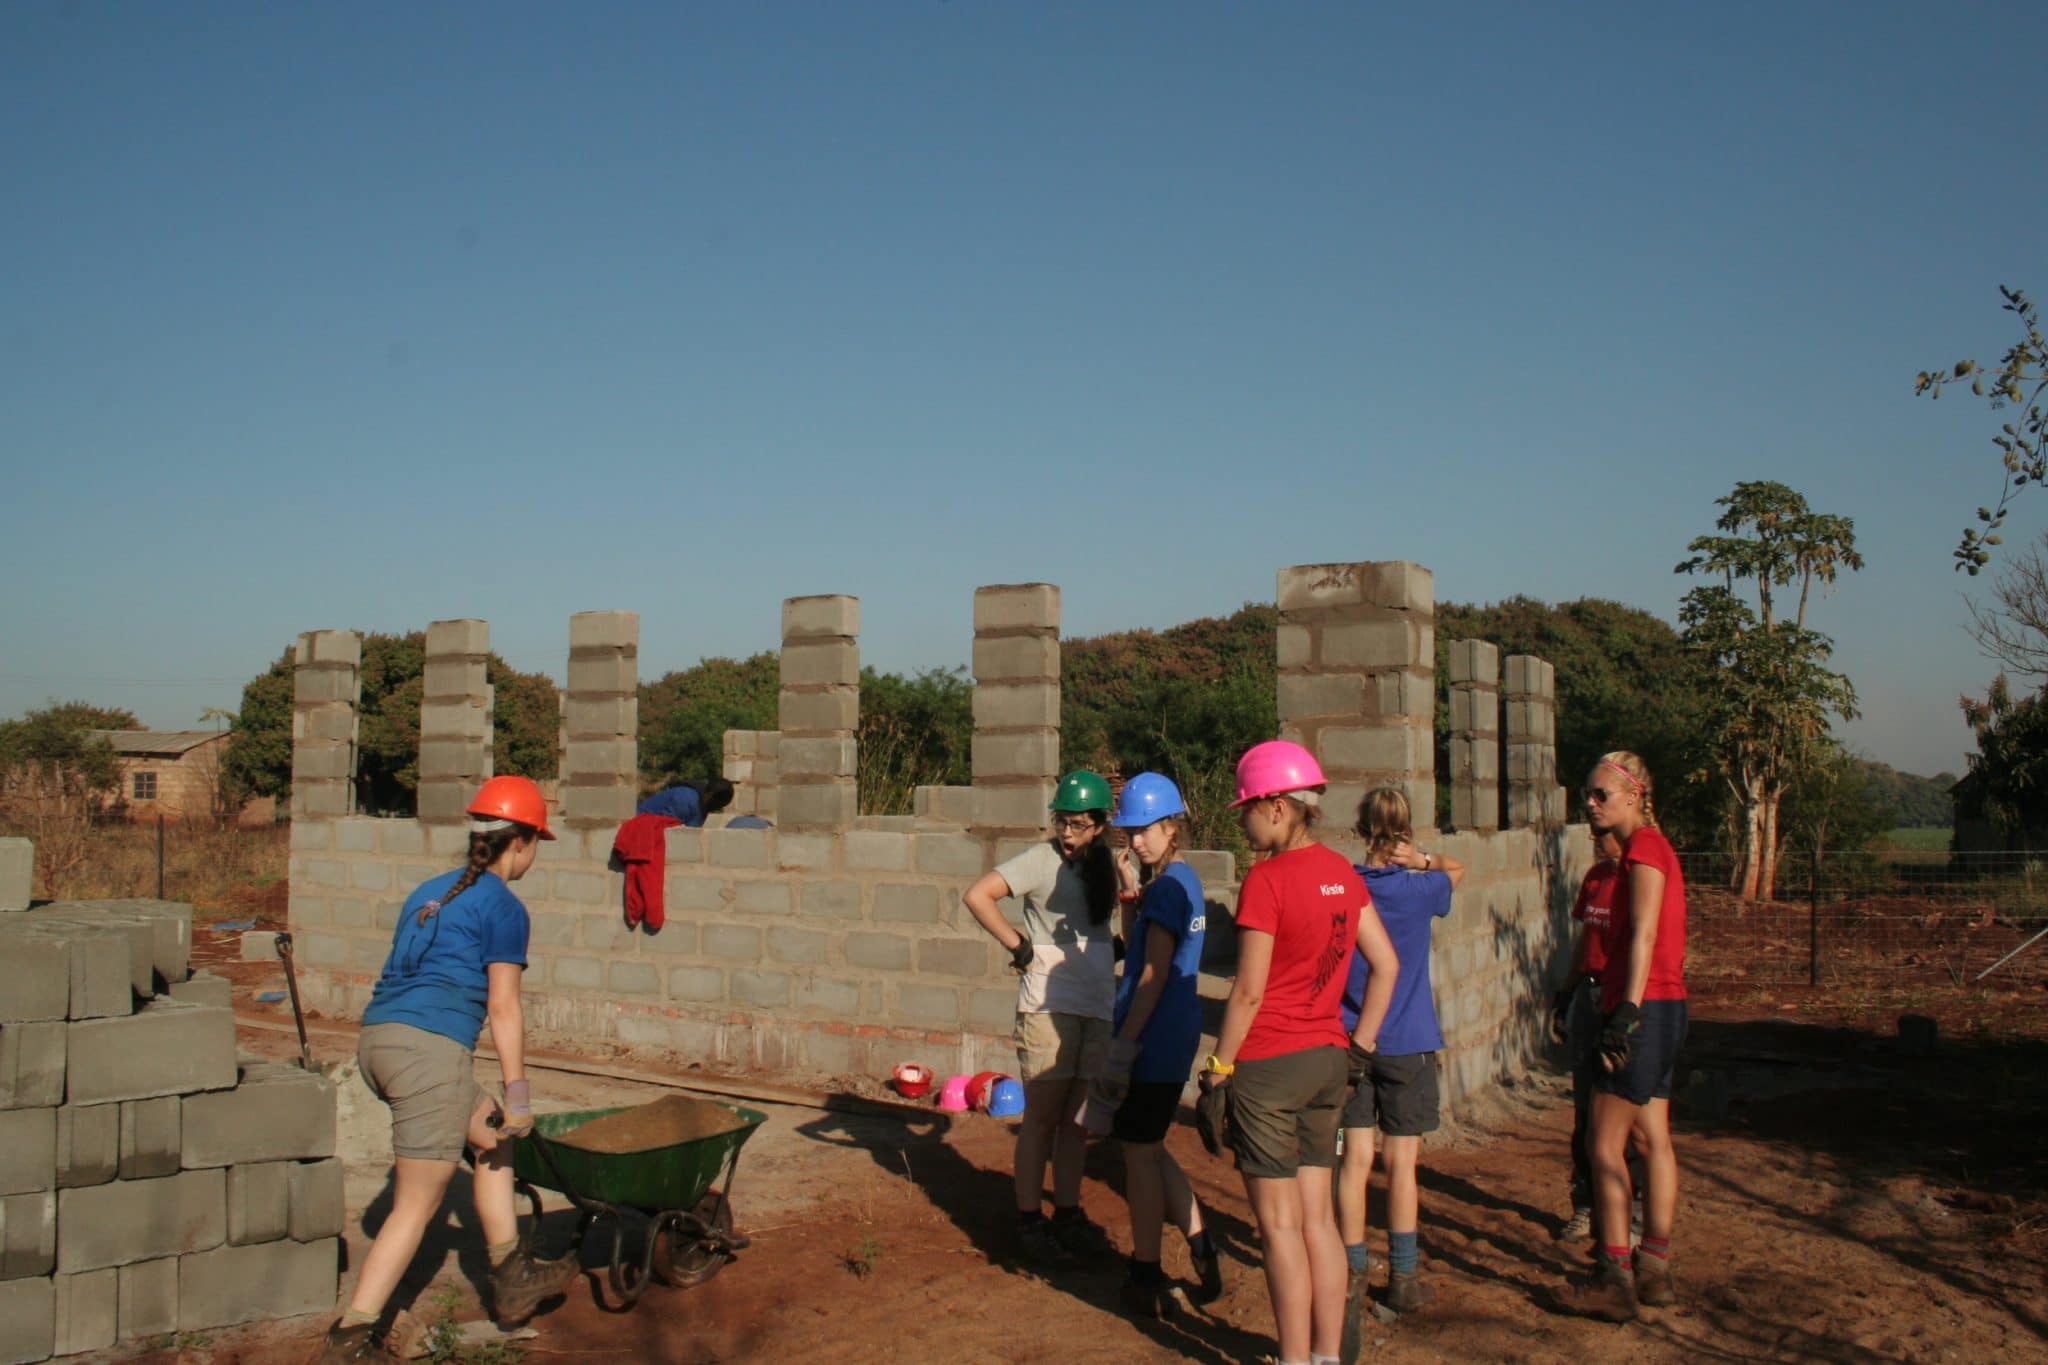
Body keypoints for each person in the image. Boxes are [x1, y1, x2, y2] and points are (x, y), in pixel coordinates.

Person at [320, 776, 579, 1364]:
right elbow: (504, 1008)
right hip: (426, 1055)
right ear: (523, 842)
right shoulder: (504, 907)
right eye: (538, 842)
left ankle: (510, 1272)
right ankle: (351, 1340)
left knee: (490, 1136)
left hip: (378, 1042)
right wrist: (519, 1093)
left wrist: (501, 1110)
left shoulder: (429, 890)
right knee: (417, 1204)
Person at [1198, 741, 1400, 1365]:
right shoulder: (1343, 871)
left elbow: (1249, 991)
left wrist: (1218, 1070)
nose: (1242, 821)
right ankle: (1324, 1357)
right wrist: (1360, 1047)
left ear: (1279, 806)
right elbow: (1386, 965)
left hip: (1268, 1068)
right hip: (1328, 1062)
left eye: (1247, 809)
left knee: (1279, 1226)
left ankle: (1290, 1359)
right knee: (1319, 1222)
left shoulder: (1266, 880)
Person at [963, 770, 1121, 1264]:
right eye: (1061, 823)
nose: (1067, 834)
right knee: (1042, 1118)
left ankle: (1068, 1215)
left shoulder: (1110, 867)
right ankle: (1030, 1220)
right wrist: (1021, 947)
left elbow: (1124, 918)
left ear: (1098, 826)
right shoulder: (1040, 859)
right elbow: (978, 895)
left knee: (1077, 1121)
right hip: (1047, 1008)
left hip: (1095, 1004)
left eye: (1077, 825)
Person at [1087, 773, 1222, 1316]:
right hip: (1171, 1034)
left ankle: (1145, 1271)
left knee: (1137, 1157)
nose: (1135, 841)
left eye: (1145, 831)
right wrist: (1127, 893)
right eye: (1129, 832)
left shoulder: (1167, 889)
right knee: (1149, 1144)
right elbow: (1138, 940)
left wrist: (1123, 1046)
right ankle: (1200, 1242)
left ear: (1172, 826)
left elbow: (1152, 974)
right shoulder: (1180, 881)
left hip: (1154, 1037)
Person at [1565, 751, 1688, 1321]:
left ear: (1635, 796)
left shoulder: (1645, 849)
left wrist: (1626, 1012)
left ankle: (1614, 1276)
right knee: (1651, 1138)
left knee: (1603, 1142)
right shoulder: (1642, 853)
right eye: (1588, 794)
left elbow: (1642, 934)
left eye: (1601, 795)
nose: (1590, 804)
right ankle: (1655, 1267)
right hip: (1663, 1008)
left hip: (1643, 1007)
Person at [1336, 788, 1464, 1328]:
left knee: (1355, 1160)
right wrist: (1424, 860)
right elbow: (1459, 870)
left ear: (1360, 830)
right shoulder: (1421, 889)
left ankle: (1350, 1274)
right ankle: (1403, 1280)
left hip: (1352, 1039)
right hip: (1409, 1040)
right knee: (1403, 1164)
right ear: (1405, 832)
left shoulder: (1343, 888)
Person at [1549, 828, 1636, 1244]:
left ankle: (1632, 1213)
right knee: (1585, 1111)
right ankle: (1585, 1206)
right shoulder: (1595, 879)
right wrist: (1566, 993)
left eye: (1604, 834)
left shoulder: (1639, 880)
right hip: (1590, 992)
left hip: (1622, 999)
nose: (1596, 839)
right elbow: (1586, 943)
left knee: (1627, 1112)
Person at [636, 776, 734, 827]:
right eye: (717, 804)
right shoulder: (686, 800)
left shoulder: (701, 804)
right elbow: (666, 831)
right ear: (710, 795)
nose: (716, 808)